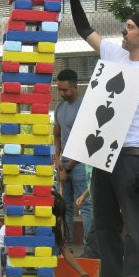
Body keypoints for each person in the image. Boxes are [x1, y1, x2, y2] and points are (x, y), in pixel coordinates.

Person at [68, 0, 139, 277]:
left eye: (129, 28)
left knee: (136, 229)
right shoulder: (114, 55)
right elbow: (84, 28)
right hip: (103, 155)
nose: (123, 33)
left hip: (131, 159)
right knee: (105, 225)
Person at [0, 188, 99, 277]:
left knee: (47, 245)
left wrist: (84, 275)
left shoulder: (50, 226)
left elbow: (65, 250)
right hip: (5, 246)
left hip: (24, 249)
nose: (60, 220)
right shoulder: (28, 216)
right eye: (59, 216)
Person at [54, 69, 93, 250]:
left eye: (65, 90)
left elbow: (88, 140)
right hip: (64, 164)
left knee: (85, 205)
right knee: (64, 207)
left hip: (81, 164)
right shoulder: (60, 108)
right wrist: (58, 161)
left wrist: (68, 167)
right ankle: (66, 247)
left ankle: (89, 248)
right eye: (59, 90)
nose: (62, 93)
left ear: (75, 87)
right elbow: (57, 135)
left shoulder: (86, 106)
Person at [76, 164, 99, 259]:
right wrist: (84, 195)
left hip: (102, 201)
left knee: (93, 232)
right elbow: (91, 183)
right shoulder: (87, 165)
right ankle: (90, 253)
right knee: (94, 230)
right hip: (95, 200)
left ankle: (90, 254)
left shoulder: (96, 164)